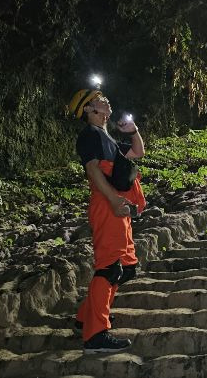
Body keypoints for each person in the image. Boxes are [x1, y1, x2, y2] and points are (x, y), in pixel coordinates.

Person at [65, 88, 146, 354]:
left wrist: (133, 131)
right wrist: (113, 200)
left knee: (127, 268)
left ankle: (84, 318)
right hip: (107, 205)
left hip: (118, 206)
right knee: (109, 268)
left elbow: (138, 152)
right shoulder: (90, 135)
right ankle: (96, 335)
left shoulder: (106, 137)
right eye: (98, 99)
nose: (105, 100)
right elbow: (92, 170)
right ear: (88, 109)